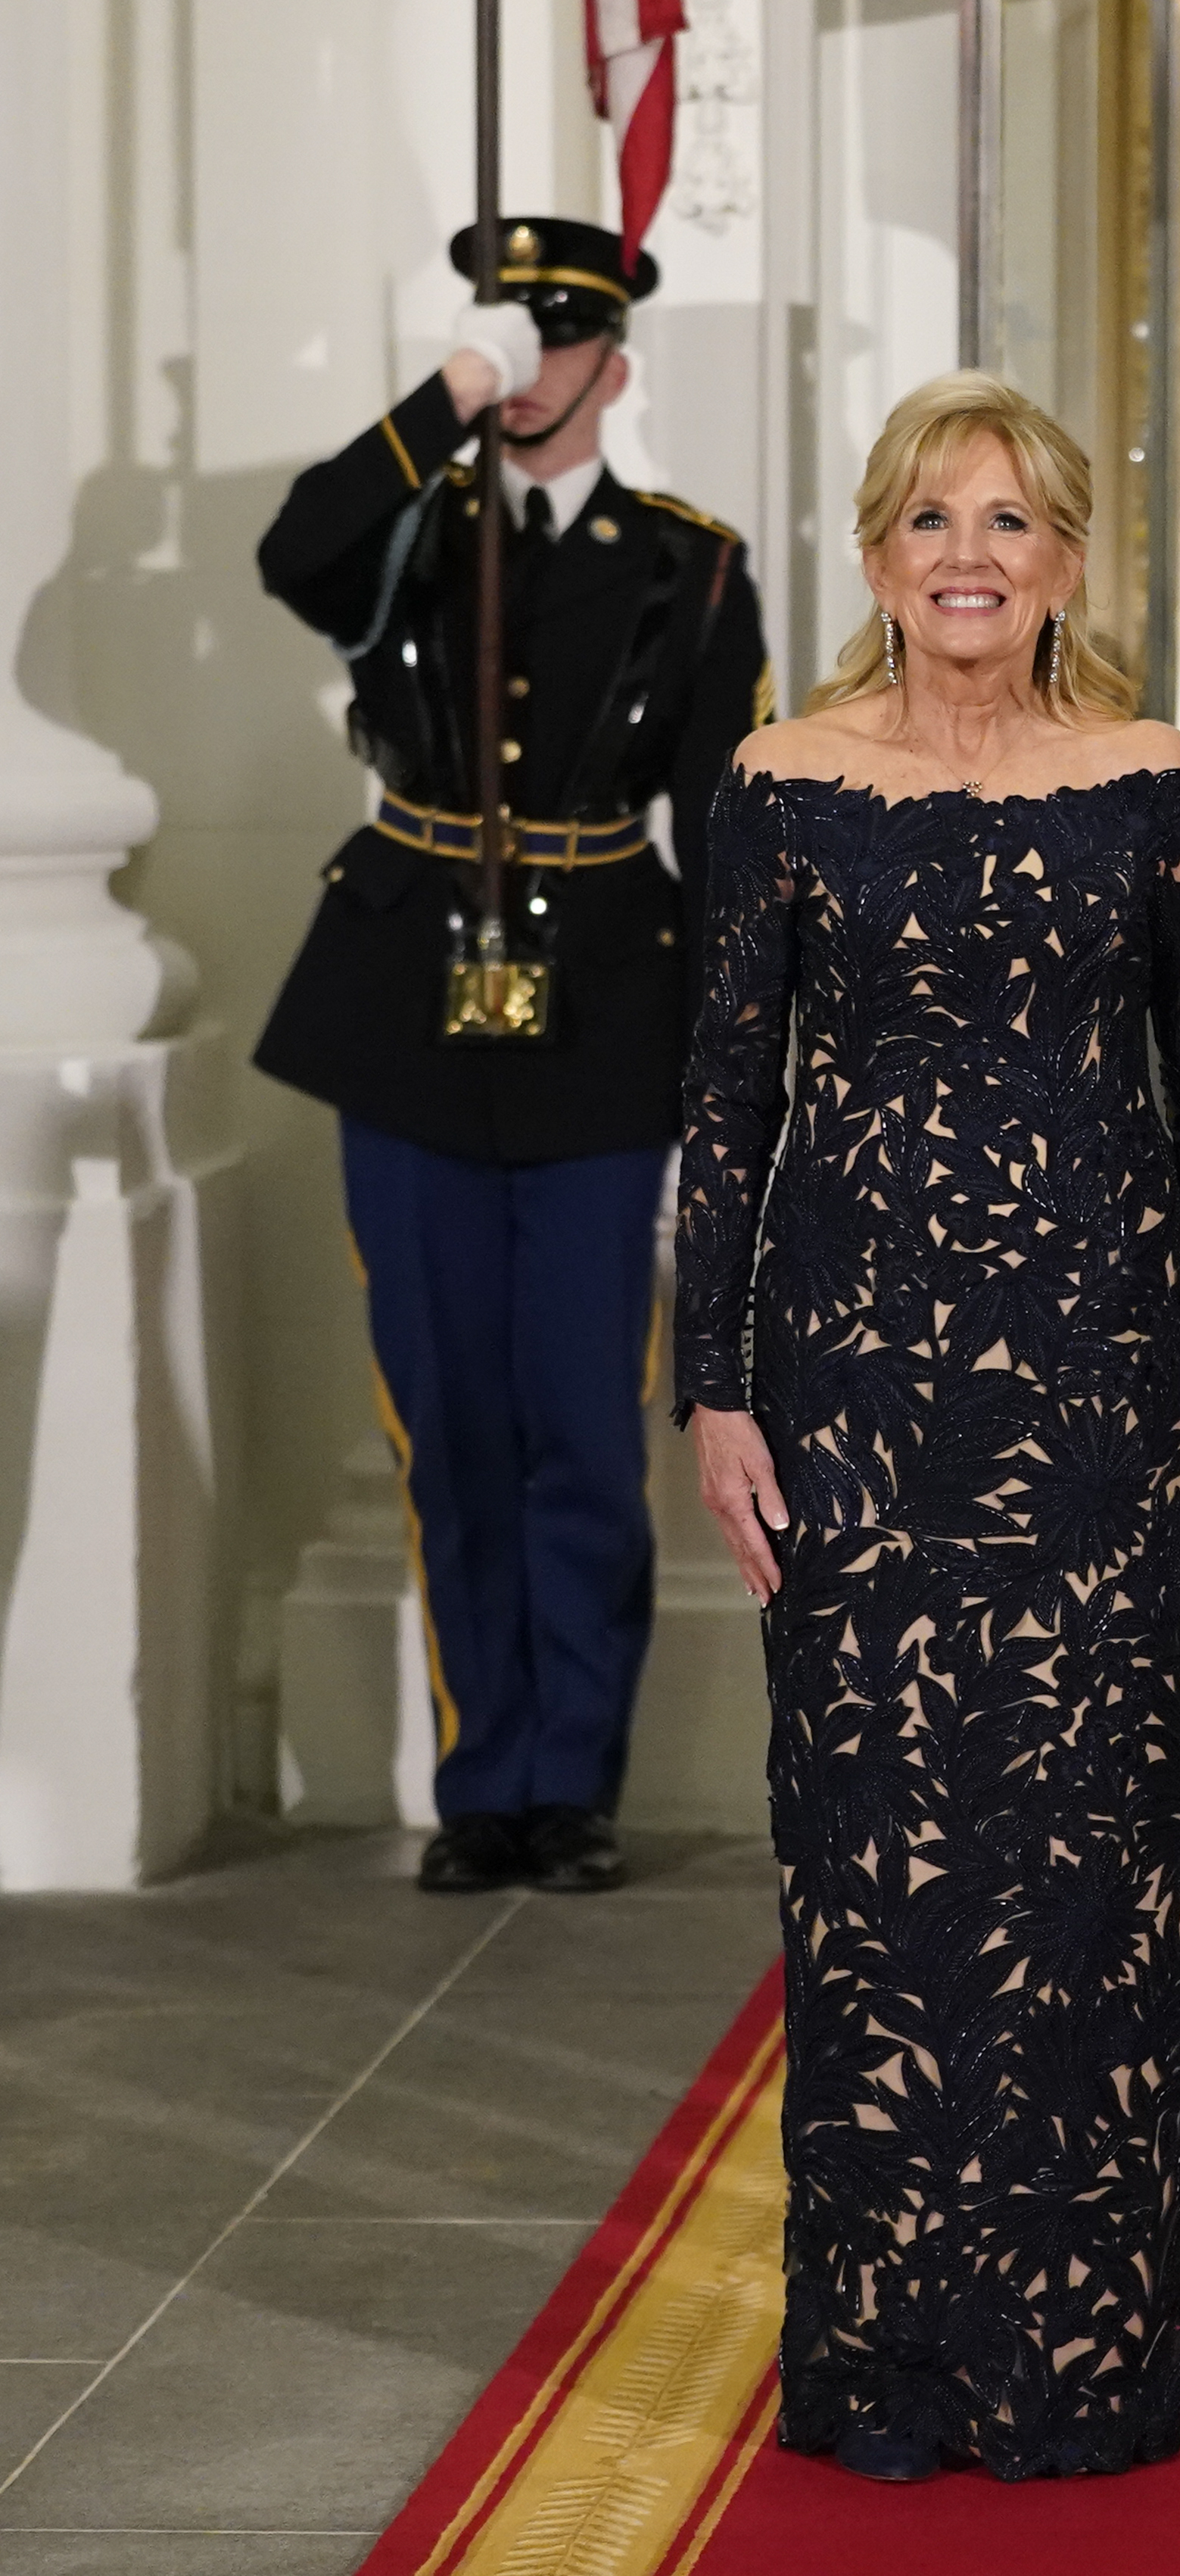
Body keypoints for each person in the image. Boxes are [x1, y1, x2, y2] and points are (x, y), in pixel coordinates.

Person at [674, 373, 1180, 2484]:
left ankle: (1084, 2366)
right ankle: (892, 2364)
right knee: (881, 1872)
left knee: (1086, 1863)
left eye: (1007, 523)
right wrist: (711, 1389)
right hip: (853, 1399)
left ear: (1069, 561)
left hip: (1099, 1402)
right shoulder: (781, 781)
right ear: (876, 554)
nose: (969, 559)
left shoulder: (1152, 778)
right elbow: (724, 1111)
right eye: (930, 521)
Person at [254, 216, 768, 1897]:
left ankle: (572, 1784)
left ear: (613, 369)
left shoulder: (691, 561)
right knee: (449, 1418)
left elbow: (722, 816)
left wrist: (742, 1052)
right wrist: (444, 393)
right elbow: (292, 553)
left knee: (578, 1413)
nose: (535, 371)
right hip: (407, 1007)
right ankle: (480, 1779)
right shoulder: (411, 525)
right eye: (511, 343)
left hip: (607, 1011)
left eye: (561, 347)